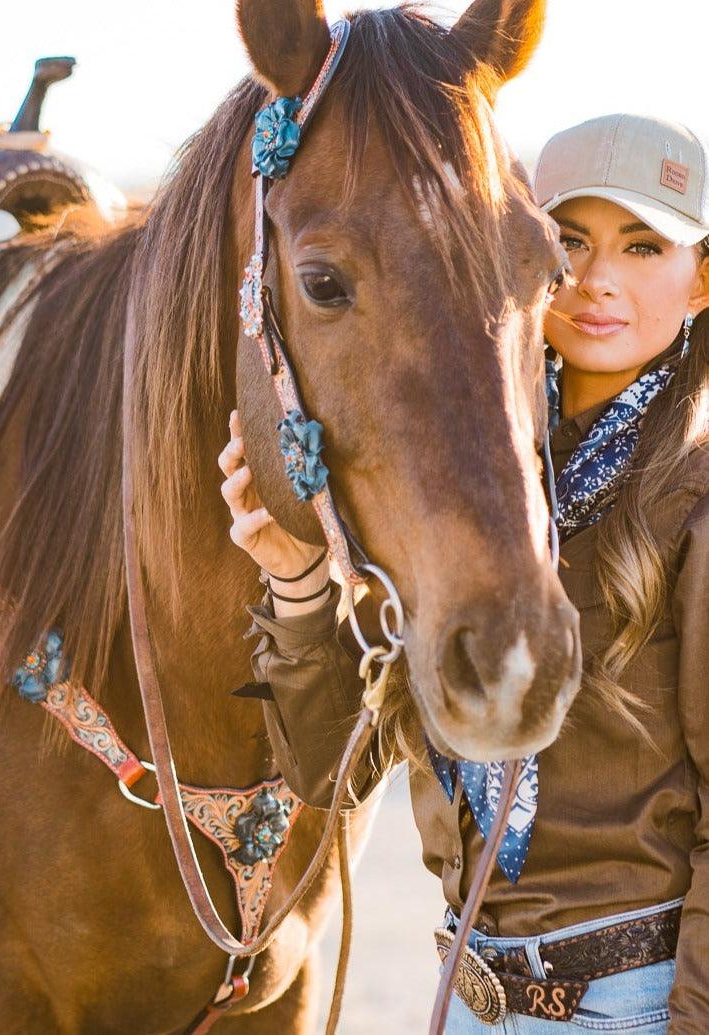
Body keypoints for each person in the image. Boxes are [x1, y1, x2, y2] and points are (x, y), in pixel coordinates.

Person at [219, 114, 709, 1033]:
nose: (597, 278)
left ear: (700, 282)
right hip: (465, 996)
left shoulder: (695, 498)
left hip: (634, 1006)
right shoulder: (459, 495)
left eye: (643, 246)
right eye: (569, 240)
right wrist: (296, 585)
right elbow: (331, 773)